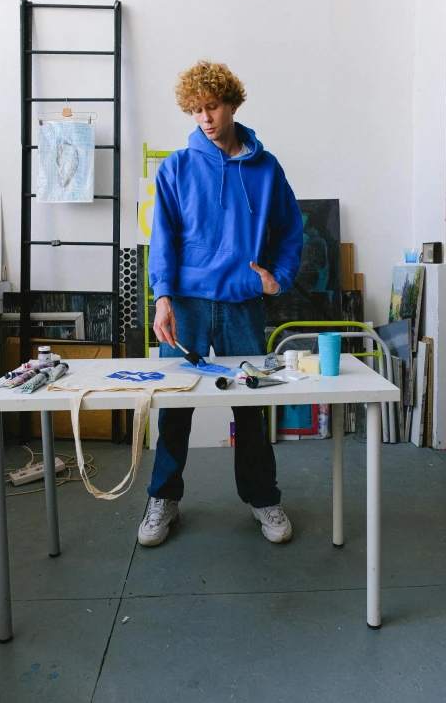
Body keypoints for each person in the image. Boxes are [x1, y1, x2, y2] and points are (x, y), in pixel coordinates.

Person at [138, 60, 303, 548]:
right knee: (175, 406)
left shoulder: (267, 169)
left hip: (242, 303)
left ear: (231, 103)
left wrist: (280, 280)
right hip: (185, 304)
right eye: (195, 110)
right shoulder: (177, 167)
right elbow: (162, 239)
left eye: (211, 106)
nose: (205, 118)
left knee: (250, 406)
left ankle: (263, 497)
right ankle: (163, 497)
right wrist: (161, 297)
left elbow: (292, 230)